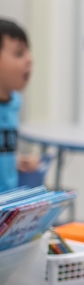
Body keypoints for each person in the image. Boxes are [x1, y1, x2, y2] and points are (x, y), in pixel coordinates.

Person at [0, 18, 38, 192]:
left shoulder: (15, 102)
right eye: (19, 53)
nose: (29, 59)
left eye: (28, 52)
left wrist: (15, 161)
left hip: (8, 206)